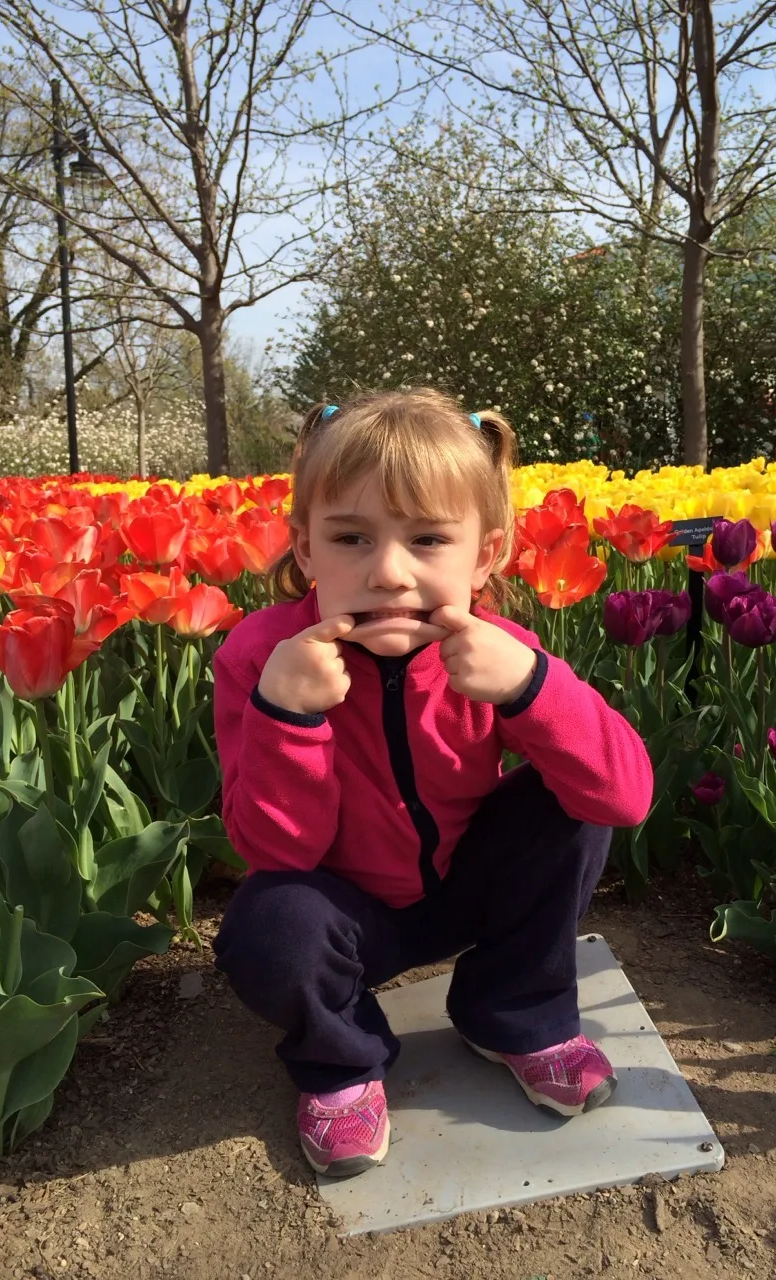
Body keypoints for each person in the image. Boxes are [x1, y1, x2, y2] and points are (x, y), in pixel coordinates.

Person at [212, 388, 654, 1179]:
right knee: (267, 927)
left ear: (484, 555)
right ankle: (342, 1060)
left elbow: (624, 797)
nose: (387, 572)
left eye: (426, 539)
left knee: (569, 804)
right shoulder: (262, 659)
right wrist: (288, 715)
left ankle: (514, 1013)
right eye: (350, 538)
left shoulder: (498, 650)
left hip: (464, 886)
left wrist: (531, 688)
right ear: (305, 549)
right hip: (343, 916)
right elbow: (277, 848)